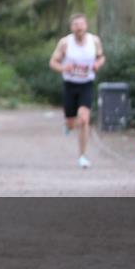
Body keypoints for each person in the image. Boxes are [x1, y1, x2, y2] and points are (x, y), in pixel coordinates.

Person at [49, 13, 106, 169]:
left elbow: (101, 57)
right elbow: (52, 62)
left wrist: (97, 65)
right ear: (71, 27)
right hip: (70, 85)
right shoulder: (65, 43)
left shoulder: (94, 41)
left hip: (86, 84)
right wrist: (63, 67)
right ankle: (68, 125)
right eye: (75, 25)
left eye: (81, 24)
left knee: (84, 119)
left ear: (86, 26)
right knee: (71, 122)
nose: (79, 27)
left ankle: (82, 156)